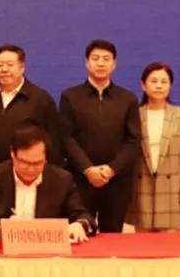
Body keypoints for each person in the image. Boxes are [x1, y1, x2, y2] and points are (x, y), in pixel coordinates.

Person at [59, 39, 141, 233]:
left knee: (112, 236)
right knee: (80, 233)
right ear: (87, 63)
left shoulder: (127, 98)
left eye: (106, 59)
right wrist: (88, 169)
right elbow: (65, 137)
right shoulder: (70, 96)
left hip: (116, 181)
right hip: (81, 179)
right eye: (95, 58)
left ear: (114, 64)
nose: (101, 63)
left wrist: (112, 169)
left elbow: (133, 140)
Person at [0, 124, 93, 241]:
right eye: (24, 162)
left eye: (37, 163)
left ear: (46, 158)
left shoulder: (62, 180)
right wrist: (4, 227)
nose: (31, 169)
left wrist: (79, 225)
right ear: (12, 153)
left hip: (48, 251)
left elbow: (83, 216)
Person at [0, 44, 63, 184]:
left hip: (27, 178)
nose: (4, 69)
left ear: (22, 67)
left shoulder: (41, 99)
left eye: (10, 65)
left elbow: (54, 145)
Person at [129, 62, 180, 232]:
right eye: (153, 81)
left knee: (171, 244)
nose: (159, 86)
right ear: (143, 85)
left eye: (164, 81)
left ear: (170, 86)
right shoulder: (134, 115)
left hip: (173, 191)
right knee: (142, 244)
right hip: (142, 189)